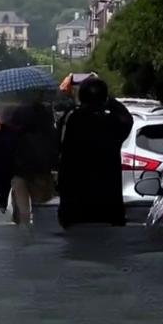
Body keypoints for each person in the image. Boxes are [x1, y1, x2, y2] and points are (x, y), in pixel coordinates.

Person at [57, 76, 133, 229]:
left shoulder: (71, 120)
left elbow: (58, 143)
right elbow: (127, 119)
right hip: (107, 205)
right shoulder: (111, 122)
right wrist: (110, 101)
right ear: (103, 98)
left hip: (75, 204)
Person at [7, 99, 59, 227]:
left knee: (22, 206)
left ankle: (24, 227)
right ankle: (39, 228)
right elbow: (55, 149)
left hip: (19, 170)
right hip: (41, 171)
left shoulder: (16, 129)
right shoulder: (48, 128)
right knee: (40, 205)